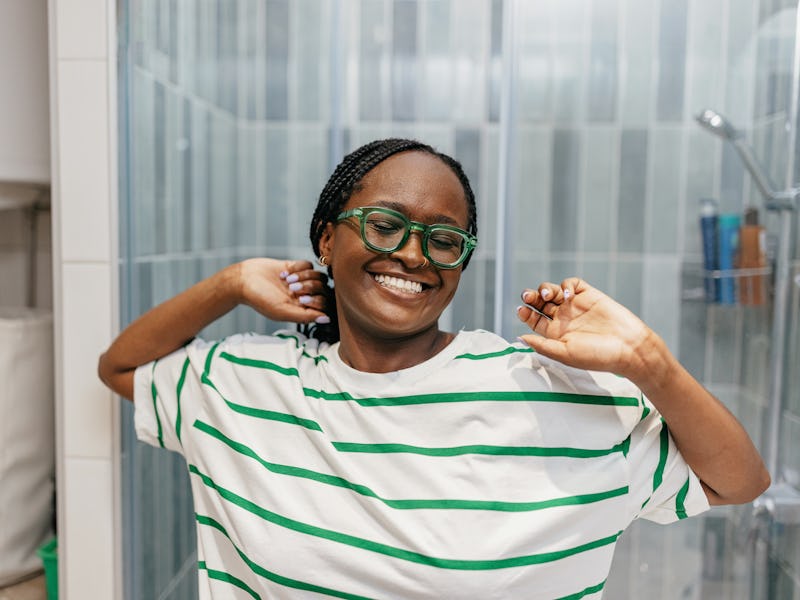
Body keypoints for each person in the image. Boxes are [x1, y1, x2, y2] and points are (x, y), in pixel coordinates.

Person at [98, 138, 769, 599]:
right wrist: (231, 284)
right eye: (386, 225)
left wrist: (648, 363)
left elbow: (738, 481)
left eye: (443, 240)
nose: (414, 255)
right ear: (328, 238)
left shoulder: (544, 394)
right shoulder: (244, 386)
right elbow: (121, 366)